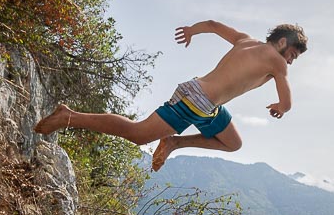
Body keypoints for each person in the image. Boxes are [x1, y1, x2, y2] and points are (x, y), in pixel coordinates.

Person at [34, 20, 307, 171]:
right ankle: (68, 116)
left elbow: (213, 24)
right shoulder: (277, 61)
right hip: (195, 101)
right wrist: (280, 107)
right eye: (293, 55)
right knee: (138, 134)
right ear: (282, 43)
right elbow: (287, 102)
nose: (291, 61)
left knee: (232, 142)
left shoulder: (245, 40)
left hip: (206, 103)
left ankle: (174, 143)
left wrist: (191, 31)